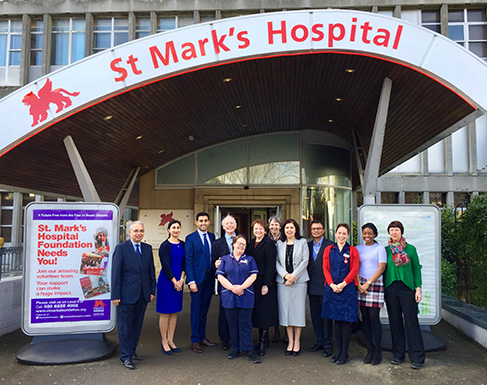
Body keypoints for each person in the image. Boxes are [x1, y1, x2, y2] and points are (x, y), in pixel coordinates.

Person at [111, 221, 156, 370]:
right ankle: (125, 357)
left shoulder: (147, 249)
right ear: (129, 232)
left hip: (142, 295)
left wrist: (151, 291)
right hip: (125, 296)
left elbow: (151, 271)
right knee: (125, 327)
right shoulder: (121, 249)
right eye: (136, 231)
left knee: (136, 326)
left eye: (141, 231)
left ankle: (132, 350)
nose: (139, 233)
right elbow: (115, 273)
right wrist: (115, 295)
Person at [384, 220, 425, 370]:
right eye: (392, 230)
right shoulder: (386, 250)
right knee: (394, 321)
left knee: (411, 322)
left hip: (407, 288)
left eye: (397, 230)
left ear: (401, 232)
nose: (394, 232)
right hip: (391, 288)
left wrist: (418, 289)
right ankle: (398, 354)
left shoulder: (411, 249)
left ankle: (417, 357)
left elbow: (417, 269)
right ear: (389, 232)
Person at [216, 235, 260, 363]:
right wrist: (232, 288)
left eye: (244, 245)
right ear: (233, 244)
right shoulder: (225, 259)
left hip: (245, 295)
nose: (241, 246)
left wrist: (241, 287)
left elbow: (253, 276)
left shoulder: (250, 259)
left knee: (245, 323)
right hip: (229, 296)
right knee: (232, 324)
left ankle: (249, 350)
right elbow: (220, 277)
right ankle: (236, 349)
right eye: (239, 243)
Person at [322, 223, 359, 365]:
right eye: (339, 233)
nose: (342, 236)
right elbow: (325, 269)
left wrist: (343, 284)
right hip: (332, 289)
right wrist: (332, 284)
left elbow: (354, 269)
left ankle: (345, 352)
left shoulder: (353, 251)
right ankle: (338, 351)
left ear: (348, 235)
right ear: (335, 234)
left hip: (347, 290)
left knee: (346, 322)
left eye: (344, 233)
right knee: (336, 321)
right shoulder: (328, 250)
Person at [276, 219, 309, 356]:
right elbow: (276, 262)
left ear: (296, 229)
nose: (289, 230)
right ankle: (290, 341)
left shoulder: (303, 242)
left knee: (298, 312)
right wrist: (285, 276)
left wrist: (293, 276)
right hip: (283, 284)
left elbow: (305, 261)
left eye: (292, 227)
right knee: (286, 313)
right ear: (283, 230)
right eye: (287, 228)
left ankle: (297, 342)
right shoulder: (279, 243)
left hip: (299, 282)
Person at [185, 212, 217, 353]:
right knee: (196, 311)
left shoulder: (212, 237)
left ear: (209, 222)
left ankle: (203, 337)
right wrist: (191, 280)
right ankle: (195, 340)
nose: (203, 223)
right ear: (196, 222)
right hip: (197, 280)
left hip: (209, 278)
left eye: (205, 220)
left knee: (204, 310)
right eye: (201, 221)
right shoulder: (190, 238)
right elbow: (189, 261)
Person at [246, 219, 278, 356]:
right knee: (256, 312)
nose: (258, 231)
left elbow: (271, 265)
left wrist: (267, 284)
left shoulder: (270, 244)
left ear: (265, 230)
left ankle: (263, 342)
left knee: (264, 313)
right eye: (255, 229)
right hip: (252, 282)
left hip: (264, 283)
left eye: (260, 229)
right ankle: (259, 340)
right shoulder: (250, 244)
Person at [356, 222, 387, 365]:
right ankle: (369, 349)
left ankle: (378, 351)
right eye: (364, 233)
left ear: (374, 234)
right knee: (365, 318)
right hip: (361, 285)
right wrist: (359, 285)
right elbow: (355, 268)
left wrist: (368, 283)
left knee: (374, 318)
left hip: (374, 284)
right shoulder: (358, 248)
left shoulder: (380, 248)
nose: (367, 236)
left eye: (370, 233)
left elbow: (381, 269)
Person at [157, 219, 185, 356]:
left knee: (174, 312)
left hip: (179, 281)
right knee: (165, 312)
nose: (176, 230)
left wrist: (181, 280)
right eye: (173, 227)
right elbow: (166, 266)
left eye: (178, 227)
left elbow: (184, 264)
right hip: (167, 282)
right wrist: (174, 281)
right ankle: (164, 341)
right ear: (169, 230)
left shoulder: (183, 244)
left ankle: (171, 340)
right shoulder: (165, 246)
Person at [306, 220, 334, 356]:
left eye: (318, 228)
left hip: (326, 285)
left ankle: (328, 344)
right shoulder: (307, 245)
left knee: (326, 316)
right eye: (313, 229)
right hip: (312, 286)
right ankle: (320, 341)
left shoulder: (331, 246)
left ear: (323, 230)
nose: (316, 231)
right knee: (315, 316)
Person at [211, 214, 237, 350]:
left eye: (231, 223)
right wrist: (215, 264)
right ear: (222, 227)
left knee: (239, 310)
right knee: (224, 311)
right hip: (225, 283)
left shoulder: (242, 240)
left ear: (236, 226)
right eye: (226, 224)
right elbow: (212, 262)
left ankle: (237, 338)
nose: (229, 226)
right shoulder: (217, 244)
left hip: (241, 282)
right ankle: (225, 339)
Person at [267, 215, 282, 343]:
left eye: (276, 224)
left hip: (282, 275)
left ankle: (283, 331)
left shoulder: (284, 238)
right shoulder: (265, 238)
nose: (274, 227)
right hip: (270, 276)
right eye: (272, 225)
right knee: (272, 304)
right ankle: (273, 331)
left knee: (283, 303)